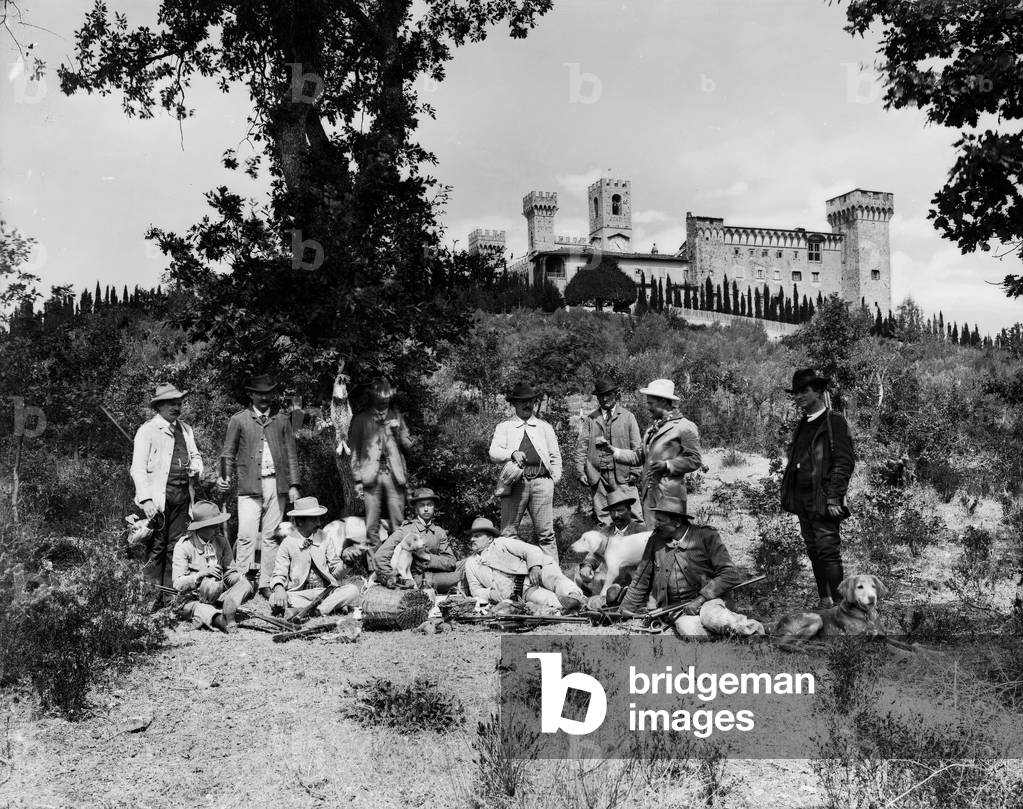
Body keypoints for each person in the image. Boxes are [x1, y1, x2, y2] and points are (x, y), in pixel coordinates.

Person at [620, 497, 763, 637]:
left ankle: (757, 630)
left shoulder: (706, 536)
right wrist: (623, 611)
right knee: (688, 630)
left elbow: (730, 574)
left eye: (660, 520)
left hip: (710, 602)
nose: (655, 524)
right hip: (677, 609)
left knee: (715, 619)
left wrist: (700, 599)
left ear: (676, 522)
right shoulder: (655, 541)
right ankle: (734, 634)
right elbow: (641, 580)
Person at [217, 373, 302, 599]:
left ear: (272, 395)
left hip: (277, 484)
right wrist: (224, 477)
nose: (264, 398)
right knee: (245, 535)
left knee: (271, 536)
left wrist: (294, 484)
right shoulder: (239, 420)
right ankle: (241, 582)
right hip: (248, 486)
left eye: (268, 394)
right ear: (251, 395)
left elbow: (291, 455)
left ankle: (267, 582)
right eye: (259, 394)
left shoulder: (282, 420)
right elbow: (227, 453)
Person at [779, 368, 856, 608]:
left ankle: (841, 607)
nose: (799, 396)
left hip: (823, 499)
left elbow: (844, 462)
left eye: (804, 391)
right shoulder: (803, 423)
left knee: (828, 551)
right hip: (802, 499)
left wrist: (834, 497)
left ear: (819, 392)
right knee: (813, 549)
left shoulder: (834, 421)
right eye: (796, 392)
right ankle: (825, 601)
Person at [131, 383, 203, 596]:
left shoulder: (186, 429)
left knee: (176, 546)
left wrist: (196, 468)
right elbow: (138, 468)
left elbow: (196, 456)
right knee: (156, 547)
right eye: (171, 403)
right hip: (159, 499)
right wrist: (146, 500)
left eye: (179, 403)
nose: (176, 407)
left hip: (182, 497)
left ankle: (170, 597)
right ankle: (150, 598)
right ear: (159, 406)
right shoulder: (147, 431)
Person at [599, 378, 701, 527]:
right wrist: (612, 450)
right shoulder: (651, 429)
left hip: (669, 499)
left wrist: (667, 465)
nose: (648, 407)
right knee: (653, 541)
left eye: (650, 403)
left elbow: (695, 459)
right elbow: (638, 456)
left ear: (664, 402)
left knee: (670, 542)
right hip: (650, 497)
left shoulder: (685, 427)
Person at [488, 381, 562, 563]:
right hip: (515, 484)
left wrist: (554, 479)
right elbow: (493, 452)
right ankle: (508, 577)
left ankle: (552, 577)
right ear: (514, 404)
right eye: (522, 402)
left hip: (542, 482)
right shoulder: (504, 427)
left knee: (546, 535)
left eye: (530, 401)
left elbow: (555, 456)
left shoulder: (545, 427)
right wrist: (511, 453)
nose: (527, 405)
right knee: (508, 533)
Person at [269, 497, 362, 619]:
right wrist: (279, 589)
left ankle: (314, 610)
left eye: (319, 518)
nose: (319, 523)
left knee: (353, 590)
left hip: (326, 592)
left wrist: (347, 562)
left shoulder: (325, 537)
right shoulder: (288, 543)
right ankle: (332, 607)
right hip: (299, 594)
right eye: (314, 520)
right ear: (300, 522)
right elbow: (279, 572)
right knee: (273, 599)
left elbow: (335, 572)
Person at [462, 518, 584, 611]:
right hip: (521, 591)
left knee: (554, 580)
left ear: (489, 539)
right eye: (471, 537)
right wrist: (490, 593)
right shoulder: (470, 563)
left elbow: (531, 550)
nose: (472, 539)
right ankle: (572, 605)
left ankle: (575, 595)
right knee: (549, 601)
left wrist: (534, 567)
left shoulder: (502, 543)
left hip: (536, 569)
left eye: (477, 536)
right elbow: (475, 590)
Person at [348, 378, 414, 545]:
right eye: (380, 397)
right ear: (373, 397)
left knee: (398, 523)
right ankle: (375, 565)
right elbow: (354, 451)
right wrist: (357, 480)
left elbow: (409, 447)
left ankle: (397, 563)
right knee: (372, 524)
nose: (384, 401)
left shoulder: (397, 417)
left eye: (386, 398)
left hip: (394, 475)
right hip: (370, 476)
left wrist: (398, 431)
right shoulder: (361, 419)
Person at [171, 501, 252, 632]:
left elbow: (229, 574)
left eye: (218, 525)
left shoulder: (221, 541)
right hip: (192, 599)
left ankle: (227, 608)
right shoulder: (184, 546)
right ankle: (221, 619)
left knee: (246, 583)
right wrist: (201, 574)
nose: (218, 529)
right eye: (214, 526)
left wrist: (243, 577)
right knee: (200, 608)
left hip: (220, 595)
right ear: (201, 527)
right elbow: (177, 584)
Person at [576, 378, 643, 525]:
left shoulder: (627, 417)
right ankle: (608, 545)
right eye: (601, 396)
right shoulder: (591, 419)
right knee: (603, 517)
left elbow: (637, 446)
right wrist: (581, 472)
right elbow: (582, 447)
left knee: (633, 514)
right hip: (597, 475)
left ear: (616, 394)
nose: (605, 399)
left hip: (623, 473)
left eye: (608, 394)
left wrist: (635, 471)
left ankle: (637, 544)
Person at [372, 488, 458, 589]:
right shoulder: (406, 530)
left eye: (429, 504)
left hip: (438, 574)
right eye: (422, 505)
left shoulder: (439, 532)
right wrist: (392, 579)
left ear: (434, 507)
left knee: (467, 564)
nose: (426, 509)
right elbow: (379, 557)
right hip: (415, 579)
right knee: (460, 576)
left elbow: (451, 563)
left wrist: (427, 557)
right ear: (416, 509)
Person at [575, 489, 647, 596]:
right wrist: (587, 566)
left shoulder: (641, 531)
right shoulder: (605, 532)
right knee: (578, 575)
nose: (616, 515)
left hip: (632, 582)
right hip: (607, 581)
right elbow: (594, 554)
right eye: (612, 511)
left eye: (620, 510)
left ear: (629, 510)